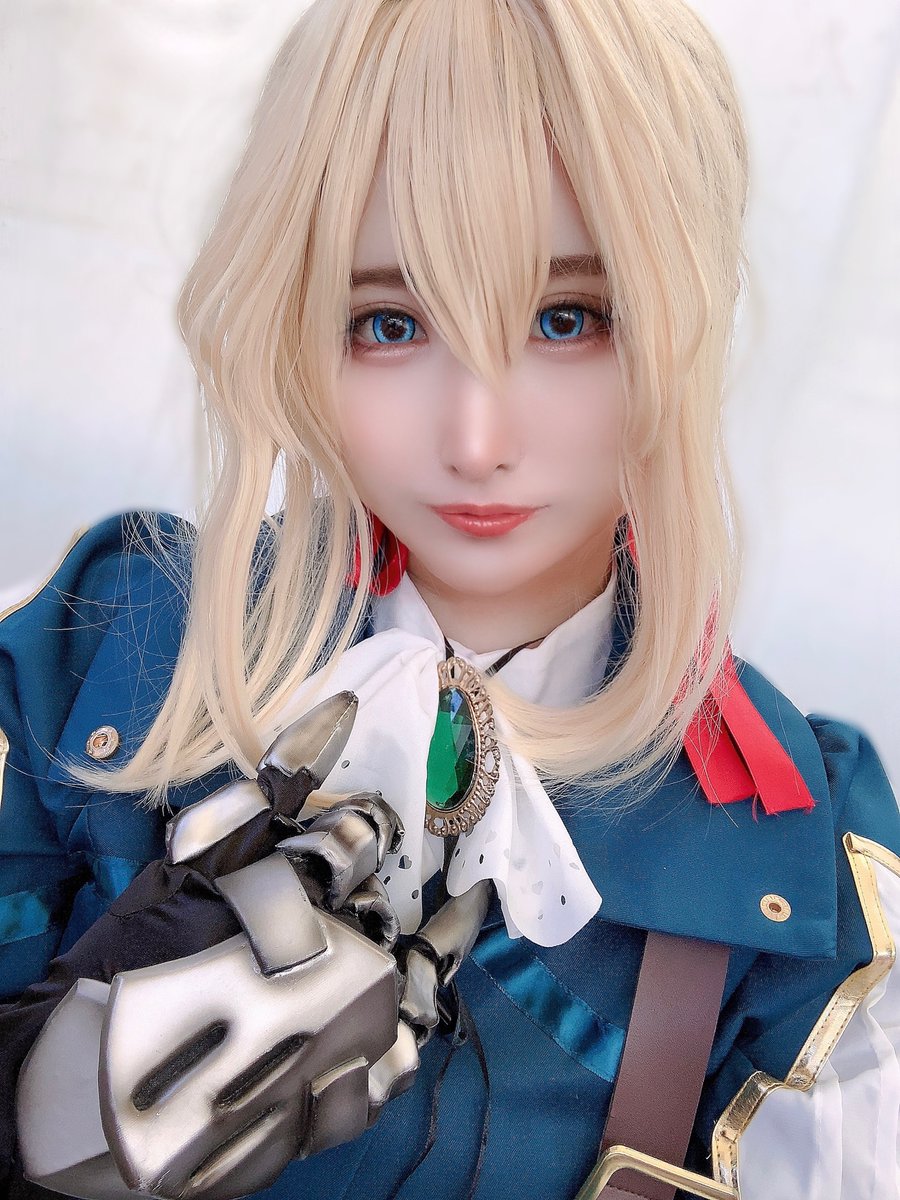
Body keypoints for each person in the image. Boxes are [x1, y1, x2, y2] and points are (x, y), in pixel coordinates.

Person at [1, 0, 898, 1198]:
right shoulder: (92, 660)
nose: (476, 441)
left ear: (683, 317)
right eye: (391, 323)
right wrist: (41, 1112)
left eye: (566, 320)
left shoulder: (804, 854)